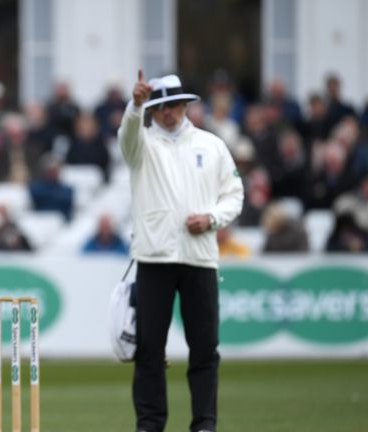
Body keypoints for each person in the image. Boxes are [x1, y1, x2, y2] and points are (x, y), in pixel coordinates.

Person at [118, 70, 244, 432]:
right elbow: (126, 137)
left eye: (173, 105)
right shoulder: (141, 143)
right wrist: (135, 105)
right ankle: (150, 424)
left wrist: (212, 218)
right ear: (152, 110)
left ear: (185, 105)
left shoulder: (211, 145)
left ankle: (204, 424)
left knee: (205, 349)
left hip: (200, 258)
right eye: (160, 107)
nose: (168, 112)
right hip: (154, 258)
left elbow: (234, 195)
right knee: (149, 351)